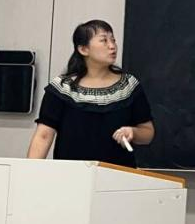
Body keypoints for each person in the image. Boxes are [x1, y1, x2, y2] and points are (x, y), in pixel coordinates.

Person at [27, 19, 155, 166]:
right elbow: (43, 135)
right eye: (104, 40)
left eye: (113, 40)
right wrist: (29, 172)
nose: (112, 46)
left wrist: (133, 132)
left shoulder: (129, 85)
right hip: (72, 173)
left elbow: (148, 132)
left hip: (118, 174)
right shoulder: (62, 88)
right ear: (83, 49)